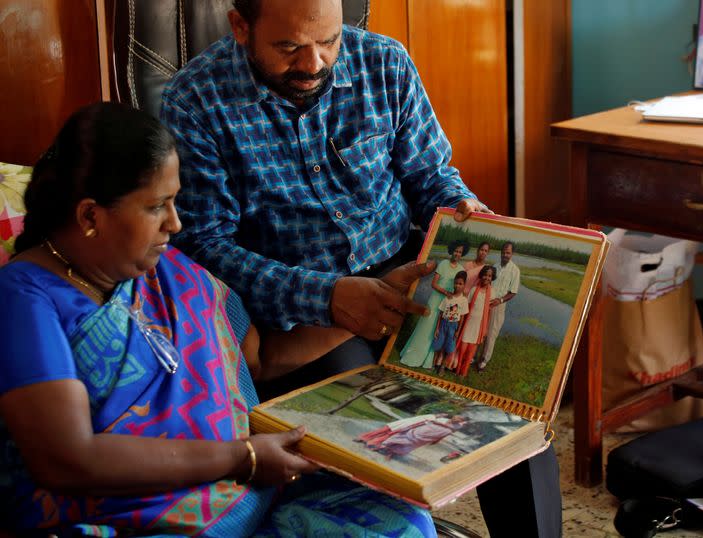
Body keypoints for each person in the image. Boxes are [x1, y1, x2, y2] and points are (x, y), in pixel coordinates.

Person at [160, 1, 562, 535]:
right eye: (288, 48)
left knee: (509, 419)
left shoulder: (385, 63)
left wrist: (468, 214)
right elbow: (205, 248)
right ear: (240, 27)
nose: (314, 63)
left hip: (405, 267)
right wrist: (327, 296)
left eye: (328, 40)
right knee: (379, 421)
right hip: (300, 306)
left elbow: (430, 177)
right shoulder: (195, 100)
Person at [0, 102, 436, 537]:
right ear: (90, 216)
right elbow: (67, 460)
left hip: (250, 493)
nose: (175, 223)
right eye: (157, 206)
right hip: (134, 520)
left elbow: (260, 359)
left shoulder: (169, 272)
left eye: (175, 201)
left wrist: (371, 308)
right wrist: (241, 457)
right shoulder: (24, 298)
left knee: (398, 518)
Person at [400, 241, 468, 369]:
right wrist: (445, 292)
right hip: (436, 299)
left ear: (462, 254)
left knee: (438, 331)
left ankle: (428, 360)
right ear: (451, 250)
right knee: (426, 327)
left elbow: (460, 289)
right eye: (455, 251)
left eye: (460, 252)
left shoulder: (461, 269)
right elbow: (434, 284)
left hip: (448, 304)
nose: (457, 254)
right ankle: (413, 356)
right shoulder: (443, 264)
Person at [476, 242, 520, 372]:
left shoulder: (515, 270)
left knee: (491, 334)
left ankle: (483, 361)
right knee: (481, 330)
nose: (505, 255)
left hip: (499, 305)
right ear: (501, 252)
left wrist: (500, 300)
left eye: (508, 253)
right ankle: (475, 355)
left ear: (512, 254)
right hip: (486, 302)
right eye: (504, 252)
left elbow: (513, 292)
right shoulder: (494, 266)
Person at [455, 265, 496, 377]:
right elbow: (467, 308)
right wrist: (461, 323)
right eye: (485, 275)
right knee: (462, 349)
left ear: (492, 278)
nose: (486, 278)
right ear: (481, 275)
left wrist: (485, 329)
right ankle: (457, 368)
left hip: (479, 326)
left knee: (470, 352)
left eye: (489, 276)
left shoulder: (492, 292)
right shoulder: (474, 289)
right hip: (469, 323)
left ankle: (463, 372)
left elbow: (489, 312)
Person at [377, 415, 468, 459]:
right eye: (456, 417)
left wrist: (438, 439)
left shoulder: (457, 426)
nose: (456, 419)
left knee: (411, 444)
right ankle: (382, 446)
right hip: (422, 430)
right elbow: (429, 422)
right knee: (401, 437)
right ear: (453, 417)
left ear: (460, 421)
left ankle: (391, 453)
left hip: (430, 436)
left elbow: (448, 432)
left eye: (459, 419)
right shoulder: (442, 419)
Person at [433, 271, 470, 375]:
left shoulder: (463, 300)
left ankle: (443, 366)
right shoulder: (447, 297)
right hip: (443, 324)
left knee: (449, 347)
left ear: (464, 285)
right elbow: (440, 314)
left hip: (453, 326)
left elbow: (462, 318)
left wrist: (458, 331)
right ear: (453, 283)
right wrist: (437, 328)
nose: (457, 286)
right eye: (456, 283)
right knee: (438, 344)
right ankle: (434, 363)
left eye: (460, 284)